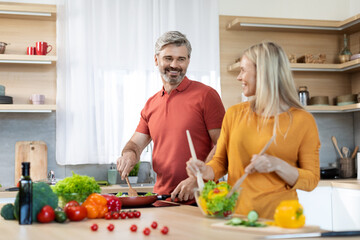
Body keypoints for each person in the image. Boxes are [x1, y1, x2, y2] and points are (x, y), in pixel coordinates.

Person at [186, 42, 320, 219]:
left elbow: (311, 180)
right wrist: (203, 171)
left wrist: (277, 165)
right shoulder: (234, 114)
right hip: (237, 218)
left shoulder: (303, 121)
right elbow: (220, 163)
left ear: (264, 73)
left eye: (243, 70)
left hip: (282, 220)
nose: (239, 77)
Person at [117, 31, 225, 202]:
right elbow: (135, 144)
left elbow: (224, 145)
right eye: (168, 58)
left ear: (188, 61)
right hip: (162, 200)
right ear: (156, 60)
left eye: (181, 59)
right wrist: (129, 155)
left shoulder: (206, 96)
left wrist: (198, 179)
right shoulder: (151, 104)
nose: (174, 65)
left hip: (201, 198)